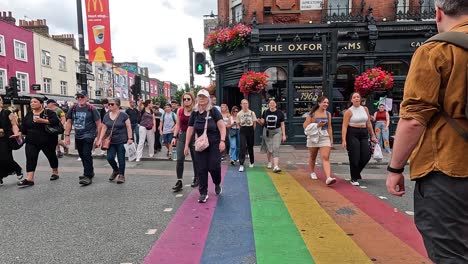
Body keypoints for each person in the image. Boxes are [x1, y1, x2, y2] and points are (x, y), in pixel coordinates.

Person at [386, 2, 468, 262]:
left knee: (452, 255)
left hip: (449, 169)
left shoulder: (437, 50)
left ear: (438, 13)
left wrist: (395, 169)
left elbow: (413, 119)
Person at [184, 89, 226, 203]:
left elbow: (222, 126)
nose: (201, 99)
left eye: (204, 97)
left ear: (208, 99)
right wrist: (186, 145)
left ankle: (217, 183)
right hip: (200, 145)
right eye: (200, 97)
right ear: (197, 98)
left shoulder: (213, 111)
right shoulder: (195, 112)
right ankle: (203, 193)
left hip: (214, 144)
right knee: (201, 169)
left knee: (214, 167)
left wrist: (222, 141)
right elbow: (190, 129)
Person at [17, 97, 61, 187]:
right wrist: (19, 133)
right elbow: (24, 127)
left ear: (41, 103)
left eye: (35, 102)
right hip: (31, 141)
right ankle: (29, 179)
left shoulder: (49, 112)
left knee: (51, 156)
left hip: (47, 140)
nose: (32, 103)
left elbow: (56, 122)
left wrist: (43, 121)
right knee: (30, 158)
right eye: (31, 102)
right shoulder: (29, 114)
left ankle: (55, 172)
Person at [64, 92, 102, 186]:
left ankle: (87, 175)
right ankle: (90, 171)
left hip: (89, 135)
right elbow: (69, 122)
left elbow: (99, 124)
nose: (80, 98)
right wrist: (67, 136)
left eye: (82, 97)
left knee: (86, 153)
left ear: (87, 98)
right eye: (78, 97)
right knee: (82, 155)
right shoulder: (73, 108)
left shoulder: (92, 109)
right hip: (78, 135)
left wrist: (98, 138)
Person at [341, 92, 378, 186]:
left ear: (361, 99)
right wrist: (344, 140)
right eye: (354, 97)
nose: (356, 98)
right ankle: (354, 178)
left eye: (358, 97)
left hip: (364, 132)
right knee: (355, 155)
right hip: (353, 133)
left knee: (367, 154)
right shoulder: (349, 111)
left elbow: (369, 123)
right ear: (351, 100)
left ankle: (356, 173)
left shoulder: (365, 109)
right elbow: (344, 126)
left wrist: (373, 135)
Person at [97, 98, 133, 184]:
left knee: (121, 159)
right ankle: (116, 170)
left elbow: (128, 127)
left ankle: (121, 175)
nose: (109, 105)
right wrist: (100, 139)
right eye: (109, 104)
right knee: (109, 158)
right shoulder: (106, 115)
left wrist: (130, 138)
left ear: (118, 105)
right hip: (110, 141)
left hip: (122, 140)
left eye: (112, 104)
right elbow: (104, 127)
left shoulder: (124, 115)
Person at [303, 96, 336, 185]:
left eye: (327, 103)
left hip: (324, 137)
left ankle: (328, 177)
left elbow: (329, 127)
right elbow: (305, 126)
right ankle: (312, 171)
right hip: (313, 137)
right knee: (313, 156)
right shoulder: (312, 114)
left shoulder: (328, 114)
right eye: (324, 102)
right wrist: (317, 125)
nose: (326, 104)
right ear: (319, 103)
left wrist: (331, 139)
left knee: (325, 157)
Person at [171, 92, 198, 191]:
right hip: (182, 135)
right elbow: (178, 124)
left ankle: (196, 178)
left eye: (188, 99)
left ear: (192, 100)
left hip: (194, 136)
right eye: (184, 99)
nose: (186, 101)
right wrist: (174, 136)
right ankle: (179, 181)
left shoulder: (196, 111)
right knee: (180, 158)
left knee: (195, 159)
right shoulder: (180, 110)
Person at [258, 99, 286, 173]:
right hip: (267, 131)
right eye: (270, 103)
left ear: (276, 104)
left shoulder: (280, 113)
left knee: (275, 147)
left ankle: (276, 166)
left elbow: (282, 124)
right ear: (268, 104)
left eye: (273, 103)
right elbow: (263, 123)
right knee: (269, 148)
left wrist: (284, 135)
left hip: (277, 131)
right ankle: (269, 162)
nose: (272, 104)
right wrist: (259, 121)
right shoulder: (265, 112)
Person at [0, 96, 23, 185]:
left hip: (6, 139)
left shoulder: (7, 113)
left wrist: (16, 133)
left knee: (5, 158)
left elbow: (14, 124)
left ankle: (18, 169)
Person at [237, 100, 257, 171]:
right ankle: (241, 164)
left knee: (250, 146)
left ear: (248, 104)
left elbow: (254, 122)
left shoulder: (252, 113)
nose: (245, 105)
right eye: (243, 104)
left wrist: (252, 130)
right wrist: (241, 129)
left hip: (250, 129)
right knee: (242, 146)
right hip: (243, 130)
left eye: (246, 103)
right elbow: (238, 123)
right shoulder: (239, 114)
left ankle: (252, 161)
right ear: (241, 105)